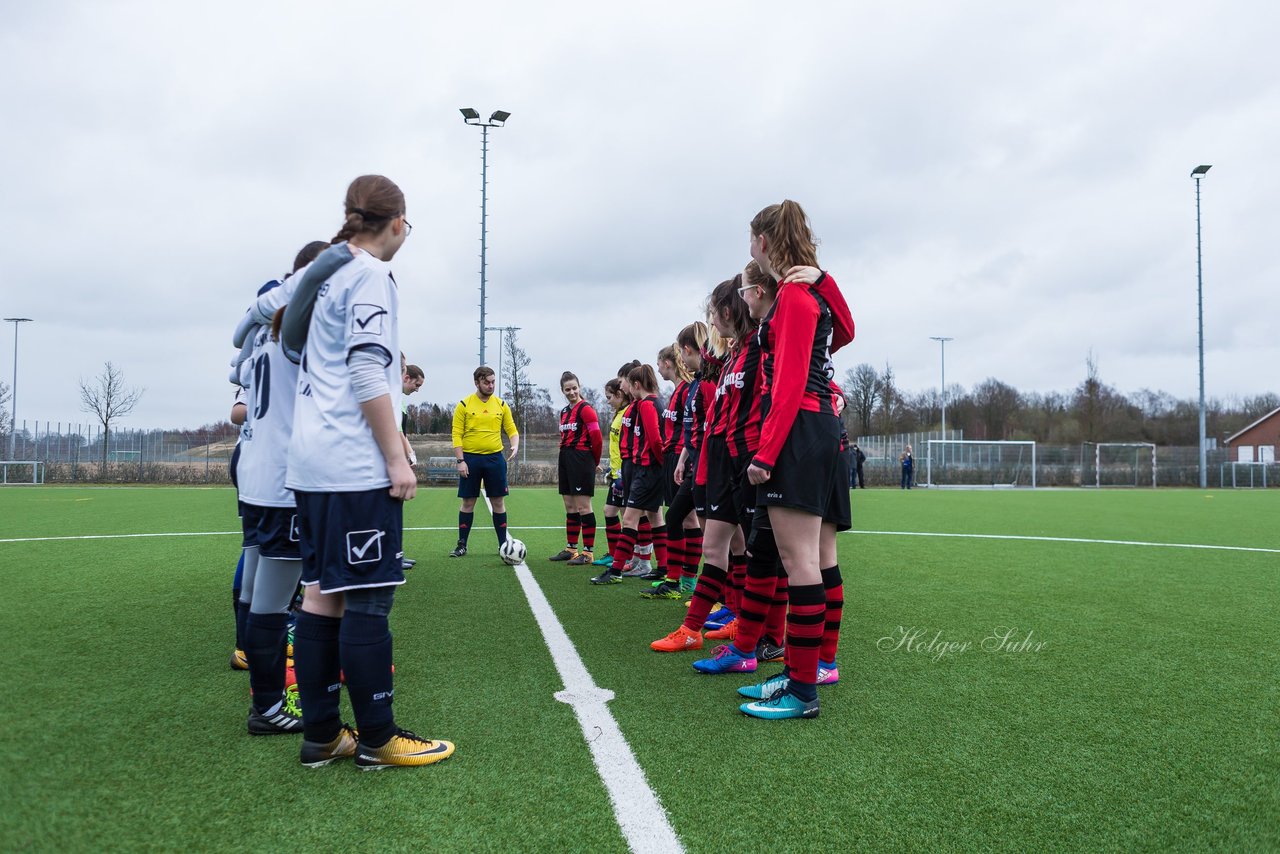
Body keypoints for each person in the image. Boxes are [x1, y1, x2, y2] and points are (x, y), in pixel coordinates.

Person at [282, 174, 453, 768]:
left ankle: (322, 734)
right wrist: (393, 455)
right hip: (352, 467)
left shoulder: (325, 275)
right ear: (397, 222)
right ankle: (378, 738)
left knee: (321, 596)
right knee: (369, 600)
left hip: (310, 464)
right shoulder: (370, 276)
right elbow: (363, 374)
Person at [736, 199, 854, 720]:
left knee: (799, 562)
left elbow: (786, 385)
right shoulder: (803, 294)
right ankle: (800, 673)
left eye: (750, 241)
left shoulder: (795, 297)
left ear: (763, 242)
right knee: (806, 560)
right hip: (814, 429)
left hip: (801, 430)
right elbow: (845, 332)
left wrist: (764, 454)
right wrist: (824, 281)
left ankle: (804, 693)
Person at [592, 364, 668, 584]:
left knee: (630, 518)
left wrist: (658, 464)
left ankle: (615, 571)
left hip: (646, 469)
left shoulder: (647, 404)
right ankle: (662, 567)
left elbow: (655, 440)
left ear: (635, 384)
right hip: (644, 469)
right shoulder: (649, 403)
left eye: (623, 381)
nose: (621, 386)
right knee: (655, 516)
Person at [450, 366, 519, 557]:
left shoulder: (502, 405)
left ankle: (502, 544)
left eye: (493, 382)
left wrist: (515, 445)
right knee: (468, 502)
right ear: (477, 383)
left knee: (498, 501)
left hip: (495, 459)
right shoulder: (464, 405)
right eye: (486, 382)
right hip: (470, 459)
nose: (491, 385)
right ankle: (462, 544)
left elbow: (512, 430)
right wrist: (460, 460)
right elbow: (456, 434)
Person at [550, 371, 602, 564]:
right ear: (562, 391)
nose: (571, 392)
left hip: (581, 458)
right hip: (565, 457)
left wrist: (594, 462)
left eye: (574, 388)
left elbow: (596, 439)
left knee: (583, 506)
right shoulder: (564, 412)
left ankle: (588, 552)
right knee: (570, 506)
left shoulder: (586, 409)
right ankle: (571, 548)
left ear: (579, 387)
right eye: (567, 389)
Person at [399, 360, 423, 570]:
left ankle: (397, 554)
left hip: (398, 459)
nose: (417, 390)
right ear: (406, 378)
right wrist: (410, 454)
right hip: (392, 462)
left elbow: (402, 432)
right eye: (416, 385)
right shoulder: (393, 397)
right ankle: (392, 556)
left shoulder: (402, 401)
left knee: (396, 509)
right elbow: (397, 432)